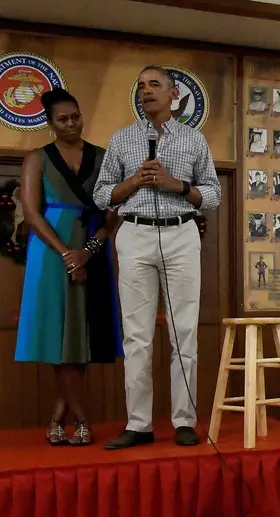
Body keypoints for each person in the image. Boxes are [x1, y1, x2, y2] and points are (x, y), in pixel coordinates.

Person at [93, 66, 221, 449]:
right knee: (137, 336)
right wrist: (134, 181)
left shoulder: (194, 140)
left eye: (154, 85)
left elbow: (213, 196)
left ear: (173, 94)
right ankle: (139, 424)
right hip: (133, 234)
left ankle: (184, 420)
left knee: (185, 332)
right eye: (141, 86)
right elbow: (101, 196)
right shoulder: (122, 140)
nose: (146, 91)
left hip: (181, 233)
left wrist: (176, 185)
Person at [15, 89, 123, 446]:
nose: (71, 123)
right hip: (50, 254)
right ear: (50, 124)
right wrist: (66, 254)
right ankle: (84, 420)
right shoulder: (37, 159)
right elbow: (32, 214)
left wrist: (88, 252)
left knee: (83, 338)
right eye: (62, 119)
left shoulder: (104, 158)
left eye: (75, 116)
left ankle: (58, 420)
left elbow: (115, 212)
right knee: (58, 337)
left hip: (93, 250)